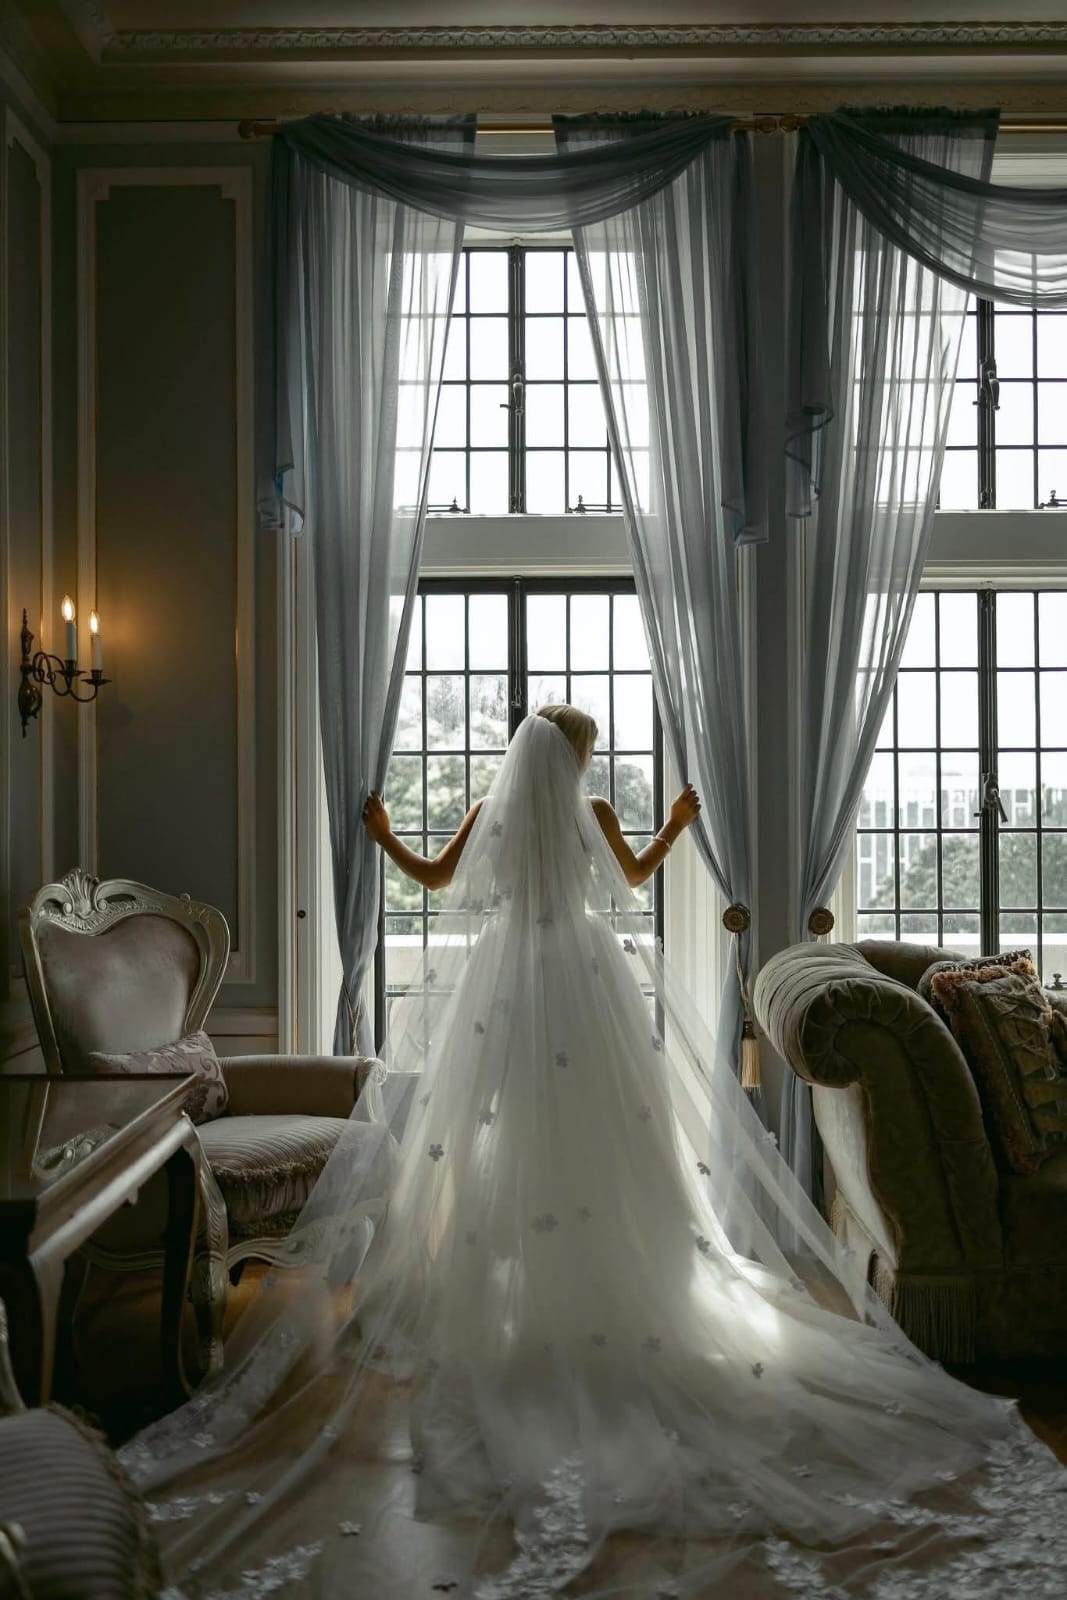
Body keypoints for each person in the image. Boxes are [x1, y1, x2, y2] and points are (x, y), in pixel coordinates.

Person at [122, 706, 1066, 1600]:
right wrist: (679, 824)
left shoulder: (494, 806)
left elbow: (439, 882)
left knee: (502, 1134)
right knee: (604, 1135)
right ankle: (615, 1276)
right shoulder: (597, 808)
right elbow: (635, 880)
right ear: (574, 756)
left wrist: (378, 834)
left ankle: (506, 1290)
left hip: (508, 975)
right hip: (580, 972)